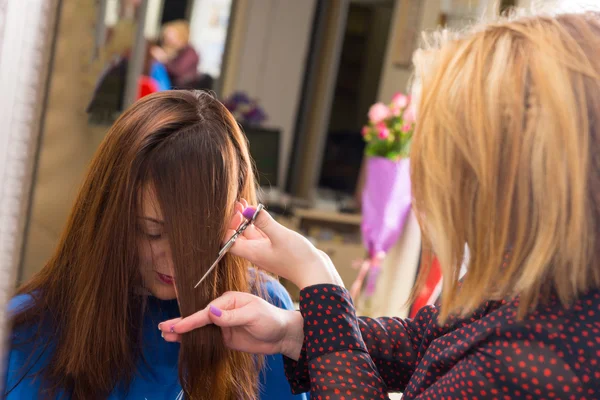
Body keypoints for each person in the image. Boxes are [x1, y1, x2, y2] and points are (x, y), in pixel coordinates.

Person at [160, 11, 600, 399]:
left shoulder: (545, 365)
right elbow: (423, 345)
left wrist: (319, 278)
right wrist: (293, 331)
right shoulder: (532, 284)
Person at [4, 90, 307, 400]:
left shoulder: (265, 314)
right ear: (108, 219)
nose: (175, 262)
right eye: (151, 232)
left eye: (199, 238)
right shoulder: (29, 331)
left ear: (234, 221)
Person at [151, 20, 201, 89]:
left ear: (181, 36)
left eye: (171, 37)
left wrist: (164, 59)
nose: (167, 41)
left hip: (181, 90)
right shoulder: (175, 50)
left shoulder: (190, 53)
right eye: (166, 37)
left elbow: (178, 71)